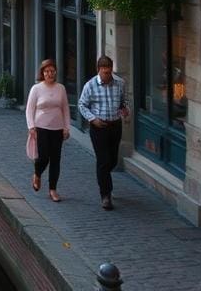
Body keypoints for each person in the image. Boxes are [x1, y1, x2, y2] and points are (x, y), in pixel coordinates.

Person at [77, 55, 130, 210]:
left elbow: (124, 100)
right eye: (104, 73)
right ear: (98, 70)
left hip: (115, 125)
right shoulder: (90, 85)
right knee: (103, 160)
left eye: (109, 72)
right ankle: (105, 195)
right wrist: (92, 119)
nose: (107, 76)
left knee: (112, 160)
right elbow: (82, 105)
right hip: (99, 127)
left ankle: (105, 182)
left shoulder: (120, 83)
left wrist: (125, 109)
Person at [25, 59, 71, 203]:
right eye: (47, 71)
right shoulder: (36, 89)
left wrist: (66, 127)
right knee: (44, 157)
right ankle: (37, 174)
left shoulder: (61, 88)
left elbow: (65, 109)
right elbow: (29, 109)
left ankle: (53, 189)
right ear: (42, 73)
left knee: (56, 160)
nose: (50, 74)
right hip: (41, 127)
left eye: (52, 71)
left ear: (55, 72)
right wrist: (31, 126)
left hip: (57, 128)